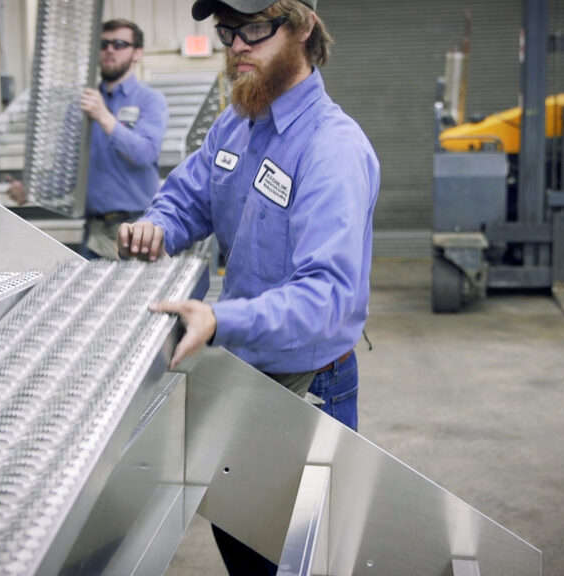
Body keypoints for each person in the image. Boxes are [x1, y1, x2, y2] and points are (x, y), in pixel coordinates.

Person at [117, 0, 379, 572]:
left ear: (304, 27)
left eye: (255, 29)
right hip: (241, 372)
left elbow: (328, 297)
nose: (236, 46)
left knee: (292, 559)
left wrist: (220, 320)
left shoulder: (331, 149)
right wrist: (154, 228)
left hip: (305, 385)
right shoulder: (236, 123)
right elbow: (189, 197)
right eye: (227, 30)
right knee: (243, 545)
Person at [7, 19, 168, 260]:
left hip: (140, 230)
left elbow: (145, 153)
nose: (110, 50)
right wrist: (31, 190)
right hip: (94, 235)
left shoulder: (150, 100)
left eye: (120, 44)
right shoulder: (79, 108)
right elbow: (65, 176)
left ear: (137, 53)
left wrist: (104, 117)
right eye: (103, 44)